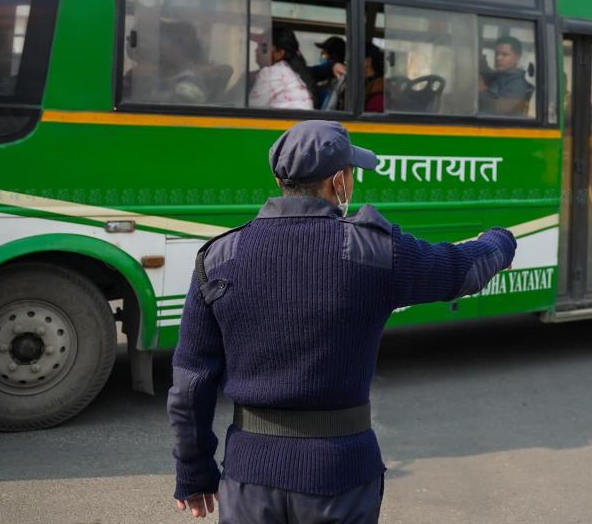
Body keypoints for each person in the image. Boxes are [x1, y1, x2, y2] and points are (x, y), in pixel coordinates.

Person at [168, 120, 517, 522]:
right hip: (341, 476)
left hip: (249, 478)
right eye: (352, 173)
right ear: (339, 182)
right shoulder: (375, 252)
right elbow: (461, 270)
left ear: (280, 180)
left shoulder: (217, 258)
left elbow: (189, 383)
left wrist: (194, 473)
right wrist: (501, 240)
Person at [249, 26, 316, 110]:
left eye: (264, 47)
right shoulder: (291, 71)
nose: (256, 49)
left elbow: (250, 108)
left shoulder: (272, 73)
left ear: (279, 54)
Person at [479, 36, 533, 116]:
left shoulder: (517, 84)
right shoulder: (501, 75)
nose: (498, 58)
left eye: (504, 55)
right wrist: (482, 65)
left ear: (517, 58)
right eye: (497, 54)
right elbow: (488, 74)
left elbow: (499, 109)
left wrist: (482, 90)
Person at [313, 36, 348, 110]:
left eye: (323, 53)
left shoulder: (341, 81)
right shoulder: (325, 79)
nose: (321, 56)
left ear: (334, 56)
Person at [363, 43, 385, 113]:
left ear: (368, 61)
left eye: (353, 58)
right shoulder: (366, 85)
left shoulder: (378, 96)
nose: (347, 64)